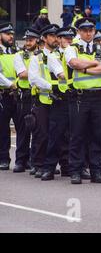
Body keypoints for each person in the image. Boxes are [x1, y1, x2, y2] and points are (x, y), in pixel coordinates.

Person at [64, 17, 101, 184]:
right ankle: (76, 171)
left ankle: (96, 171)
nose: (88, 33)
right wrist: (92, 64)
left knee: (97, 135)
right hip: (80, 97)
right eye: (84, 30)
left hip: (99, 97)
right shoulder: (72, 48)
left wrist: (86, 69)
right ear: (79, 32)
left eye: (91, 30)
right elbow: (74, 63)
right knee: (77, 135)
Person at [40, 26, 77, 180]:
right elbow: (61, 74)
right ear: (60, 39)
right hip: (60, 99)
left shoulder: (76, 53)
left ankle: (69, 166)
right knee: (56, 134)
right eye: (65, 38)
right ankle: (49, 167)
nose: (68, 41)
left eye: (70, 38)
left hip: (74, 98)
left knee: (74, 135)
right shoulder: (53, 56)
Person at [28, 24, 62, 178]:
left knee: (58, 134)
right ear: (44, 38)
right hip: (43, 100)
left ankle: (53, 164)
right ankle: (38, 164)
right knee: (42, 134)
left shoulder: (61, 55)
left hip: (59, 100)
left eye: (57, 36)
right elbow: (34, 78)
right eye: (52, 36)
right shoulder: (37, 57)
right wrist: (51, 87)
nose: (56, 39)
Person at [12, 28, 40, 173]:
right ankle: (20, 160)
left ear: (37, 40)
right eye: (27, 40)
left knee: (38, 129)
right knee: (23, 129)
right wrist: (36, 73)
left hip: (39, 94)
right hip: (25, 96)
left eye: (31, 40)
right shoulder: (19, 56)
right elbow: (22, 74)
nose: (28, 43)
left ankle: (35, 161)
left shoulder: (42, 55)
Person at [0, 22, 19, 170]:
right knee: (3, 129)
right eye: (7, 34)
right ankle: (4, 159)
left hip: (17, 94)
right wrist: (11, 84)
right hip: (4, 94)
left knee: (23, 127)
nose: (11, 36)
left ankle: (22, 160)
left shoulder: (17, 50)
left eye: (12, 34)